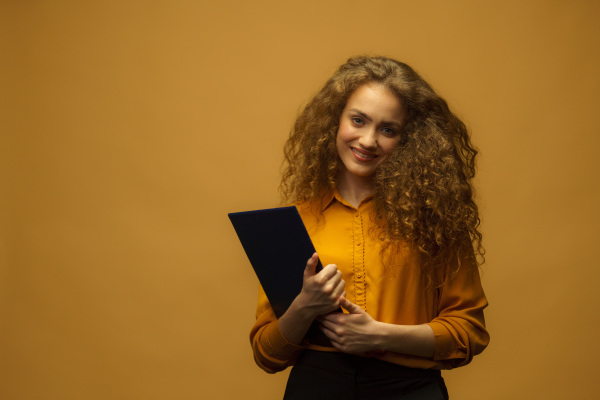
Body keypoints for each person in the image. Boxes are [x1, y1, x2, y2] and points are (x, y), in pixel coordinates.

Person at [249, 56, 489, 399]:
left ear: (409, 140)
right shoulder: (290, 224)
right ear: (335, 120)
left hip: (410, 389)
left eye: (388, 129)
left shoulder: (438, 220)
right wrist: (305, 306)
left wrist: (380, 336)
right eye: (358, 120)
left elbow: (470, 332)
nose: (368, 140)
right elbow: (266, 353)